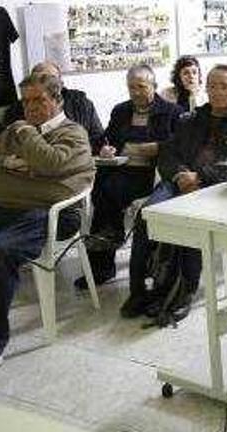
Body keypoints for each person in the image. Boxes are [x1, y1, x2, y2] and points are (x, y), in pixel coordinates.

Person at [0, 74, 95, 389]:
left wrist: (27, 135)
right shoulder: (13, 131)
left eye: (38, 100)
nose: (29, 107)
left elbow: (52, 163)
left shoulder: (72, 133)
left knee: (1, 252)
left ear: (57, 100)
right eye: (26, 101)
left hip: (44, 213)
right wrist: (8, 161)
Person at [120, 65, 227, 321]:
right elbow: (168, 153)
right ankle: (138, 290)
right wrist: (180, 175)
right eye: (211, 86)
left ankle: (184, 290)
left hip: (217, 188)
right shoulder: (192, 118)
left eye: (223, 86)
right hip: (179, 181)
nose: (216, 92)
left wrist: (201, 177)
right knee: (146, 216)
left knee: (191, 222)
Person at [74, 65, 183, 289]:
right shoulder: (121, 110)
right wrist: (106, 149)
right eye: (131, 87)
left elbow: (180, 145)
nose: (135, 92)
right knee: (101, 184)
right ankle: (103, 260)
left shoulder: (172, 112)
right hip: (122, 168)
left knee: (108, 191)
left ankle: (110, 244)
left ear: (153, 86)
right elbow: (107, 139)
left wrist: (156, 147)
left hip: (154, 173)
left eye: (141, 87)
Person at [4, 61, 104, 153]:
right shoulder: (16, 110)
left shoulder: (81, 103)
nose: (47, 84)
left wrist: (99, 149)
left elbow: (98, 137)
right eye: (40, 80)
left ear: (61, 83)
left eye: (51, 79)